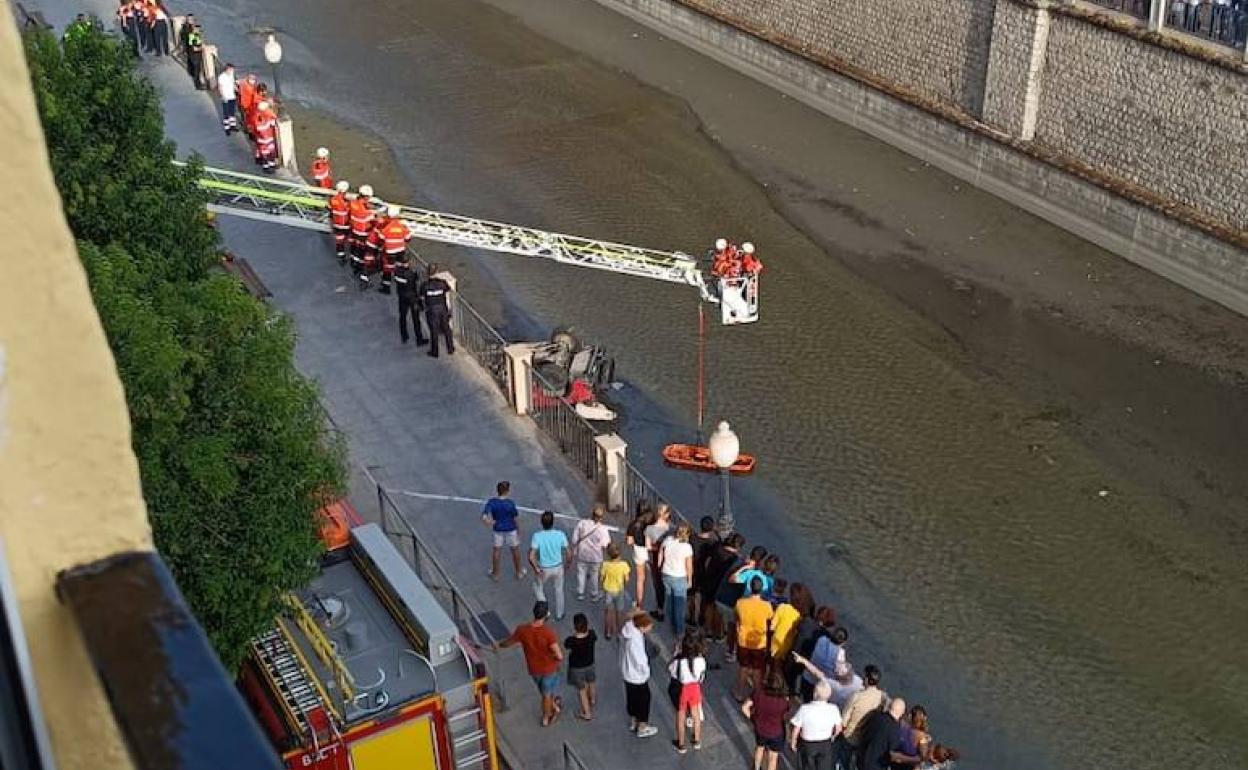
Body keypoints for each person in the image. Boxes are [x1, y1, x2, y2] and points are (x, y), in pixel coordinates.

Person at [500, 601, 563, 727]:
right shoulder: (548, 633)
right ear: (546, 615)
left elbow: (509, 642)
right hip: (549, 668)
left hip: (534, 669)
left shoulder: (522, 630)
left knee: (544, 692)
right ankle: (547, 716)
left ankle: (554, 706)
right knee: (546, 694)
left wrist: (499, 645)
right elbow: (559, 655)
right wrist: (556, 659)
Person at [789, 679, 843, 770]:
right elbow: (838, 728)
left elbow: (796, 728)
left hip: (807, 744)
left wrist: (793, 741)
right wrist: (833, 737)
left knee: (807, 766)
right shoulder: (833, 709)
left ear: (814, 693)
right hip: (825, 743)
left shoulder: (804, 709)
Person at [619, 611, 657, 738]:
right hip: (638, 677)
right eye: (649, 626)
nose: (650, 628)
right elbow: (640, 661)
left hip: (627, 673)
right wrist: (646, 672)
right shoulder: (636, 641)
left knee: (631, 698)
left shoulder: (629, 630)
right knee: (644, 700)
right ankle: (642, 727)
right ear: (642, 626)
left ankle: (633, 721)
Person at [734, 576, 773, 701]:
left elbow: (737, 618)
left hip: (743, 640)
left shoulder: (740, 603)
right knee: (757, 669)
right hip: (759, 643)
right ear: (762, 590)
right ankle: (757, 696)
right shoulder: (767, 606)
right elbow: (770, 621)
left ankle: (739, 692)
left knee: (743, 667)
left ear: (750, 587)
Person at [840, 664, 888, 766]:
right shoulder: (881, 698)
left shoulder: (856, 696)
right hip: (865, 738)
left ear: (866, 679)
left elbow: (844, 720)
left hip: (850, 736)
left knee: (844, 761)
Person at [668, 630, 706, 753]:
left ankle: (681, 744)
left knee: (681, 715)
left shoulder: (679, 661)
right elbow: (701, 677)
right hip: (695, 688)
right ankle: (697, 740)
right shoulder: (701, 660)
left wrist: (675, 654)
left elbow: (671, 671)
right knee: (695, 714)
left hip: (682, 689)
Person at [743, 668, 789, 770]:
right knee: (773, 757)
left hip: (760, 729)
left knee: (759, 748)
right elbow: (786, 715)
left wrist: (753, 719)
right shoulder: (783, 701)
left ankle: (756, 768)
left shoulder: (758, 693)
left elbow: (744, 707)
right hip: (776, 732)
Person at [529, 511, 570, 621]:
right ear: (553, 522)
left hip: (544, 568)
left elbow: (531, 556)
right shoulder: (560, 534)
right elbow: (569, 552)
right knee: (559, 589)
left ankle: (545, 610)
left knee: (537, 587)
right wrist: (567, 565)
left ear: (542, 523)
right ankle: (559, 614)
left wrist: (536, 568)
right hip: (558, 566)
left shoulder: (537, 536)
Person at [482, 481, 524, 580]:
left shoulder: (492, 502)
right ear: (507, 491)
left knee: (497, 550)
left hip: (498, 529)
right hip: (511, 529)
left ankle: (495, 574)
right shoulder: (510, 503)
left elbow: (484, 516)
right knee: (515, 550)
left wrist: (489, 522)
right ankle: (519, 572)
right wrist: (519, 530)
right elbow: (515, 518)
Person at [657, 522, 694, 637]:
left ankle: (670, 625)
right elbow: (689, 566)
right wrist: (690, 579)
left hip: (666, 574)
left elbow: (660, 551)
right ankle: (679, 632)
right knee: (679, 606)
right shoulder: (686, 547)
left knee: (669, 601)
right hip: (679, 576)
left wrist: (659, 565)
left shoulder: (668, 540)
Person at [856, 698, 911, 770]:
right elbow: (894, 753)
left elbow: (863, 731)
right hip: (876, 766)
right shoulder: (894, 729)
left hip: (861, 760)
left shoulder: (875, 716)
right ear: (902, 713)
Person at [571, 504, 611, 602]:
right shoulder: (603, 529)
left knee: (581, 573)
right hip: (596, 556)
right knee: (594, 575)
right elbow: (605, 544)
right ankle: (594, 594)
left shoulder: (582, 523)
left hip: (582, 553)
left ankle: (580, 593)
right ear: (601, 518)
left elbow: (574, 539)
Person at [564, 613, 598, 721]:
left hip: (577, 668)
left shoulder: (572, 640)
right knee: (591, 682)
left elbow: (566, 645)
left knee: (582, 690)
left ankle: (587, 713)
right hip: (590, 664)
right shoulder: (592, 635)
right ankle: (592, 699)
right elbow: (595, 637)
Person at [688, 515, 719, 629]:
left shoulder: (692, 538)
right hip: (705, 572)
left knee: (691, 594)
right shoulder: (713, 543)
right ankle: (701, 617)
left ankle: (692, 617)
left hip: (692, 569)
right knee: (703, 596)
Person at [624, 502, 655, 612]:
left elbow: (629, 541)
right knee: (656, 577)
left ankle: (639, 603)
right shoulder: (652, 523)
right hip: (652, 550)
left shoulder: (633, 524)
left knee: (640, 579)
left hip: (639, 551)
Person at [644, 504, 672, 620]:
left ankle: (659, 609)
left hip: (656, 560)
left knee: (658, 585)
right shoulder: (671, 529)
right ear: (667, 515)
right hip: (670, 559)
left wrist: (657, 547)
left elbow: (648, 547)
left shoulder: (649, 529)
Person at [393, 254, 428, 347]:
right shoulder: (410, 273)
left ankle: (404, 336)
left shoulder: (397, 272)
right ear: (408, 262)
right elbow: (416, 280)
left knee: (402, 317)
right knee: (416, 319)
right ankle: (419, 339)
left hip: (402, 296)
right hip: (412, 297)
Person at [421, 264, 455, 357]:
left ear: (427, 273)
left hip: (431, 310)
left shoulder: (425, 285)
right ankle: (450, 348)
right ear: (437, 272)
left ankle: (434, 351)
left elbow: (422, 297)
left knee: (434, 331)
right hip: (442, 308)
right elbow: (448, 289)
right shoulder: (442, 283)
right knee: (446, 328)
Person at [599, 543, 630, 640]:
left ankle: (608, 632)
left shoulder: (605, 565)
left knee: (609, 612)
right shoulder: (624, 565)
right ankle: (619, 632)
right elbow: (627, 579)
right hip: (619, 590)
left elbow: (601, 578)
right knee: (619, 612)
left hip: (608, 590)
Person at [377, 205, 411, 294]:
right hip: (400, 251)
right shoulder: (402, 226)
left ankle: (386, 288)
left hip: (390, 252)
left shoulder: (387, 227)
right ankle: (403, 285)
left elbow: (381, 238)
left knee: (388, 269)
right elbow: (408, 238)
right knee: (401, 267)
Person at [768, 579, 801, 662]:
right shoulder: (799, 616)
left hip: (773, 643)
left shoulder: (782, 606)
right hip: (784, 648)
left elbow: (772, 627)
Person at [348, 185, 376, 275]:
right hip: (363, 232)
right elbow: (373, 219)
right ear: (366, 197)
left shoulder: (353, 203)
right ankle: (359, 268)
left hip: (355, 230)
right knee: (362, 251)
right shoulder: (365, 210)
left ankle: (353, 263)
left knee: (355, 248)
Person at [328, 181, 351, 260]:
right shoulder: (347, 202)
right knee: (351, 240)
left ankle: (340, 255)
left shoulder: (332, 199)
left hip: (336, 224)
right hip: (346, 224)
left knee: (339, 240)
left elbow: (329, 209)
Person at [253, 101, 278, 172]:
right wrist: (269, 123)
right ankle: (266, 167)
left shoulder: (262, 116)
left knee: (271, 152)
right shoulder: (259, 118)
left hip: (267, 137)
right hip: (263, 139)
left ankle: (271, 164)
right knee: (265, 153)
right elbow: (260, 128)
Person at [216, 63, 238, 135]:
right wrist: (223, 96)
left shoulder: (231, 74)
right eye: (231, 69)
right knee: (226, 113)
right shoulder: (221, 77)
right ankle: (227, 128)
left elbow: (233, 83)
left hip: (232, 96)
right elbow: (220, 87)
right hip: (226, 97)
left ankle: (233, 126)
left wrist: (236, 88)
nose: (232, 71)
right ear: (227, 69)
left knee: (232, 112)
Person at [186, 23, 205, 90]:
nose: (199, 30)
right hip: (195, 56)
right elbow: (194, 48)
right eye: (198, 29)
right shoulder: (192, 36)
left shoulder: (195, 35)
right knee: (197, 71)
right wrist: (201, 48)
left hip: (196, 56)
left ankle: (198, 83)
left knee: (197, 71)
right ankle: (198, 85)